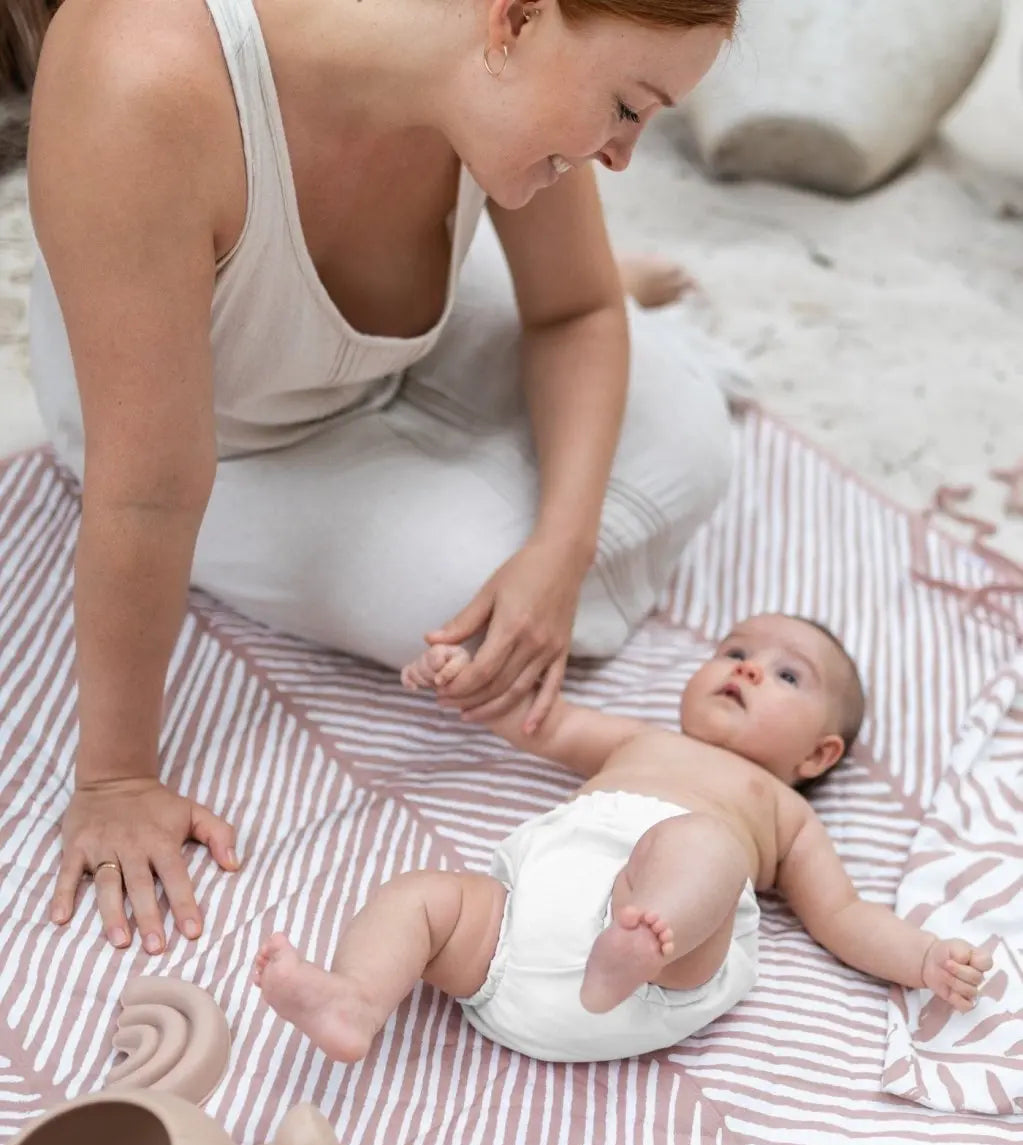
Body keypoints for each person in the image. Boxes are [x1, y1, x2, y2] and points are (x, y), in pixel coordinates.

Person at [19, 0, 739, 954]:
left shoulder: (490, 60)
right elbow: (150, 489)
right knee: (454, 601)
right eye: (625, 107)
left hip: (386, 343)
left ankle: (484, 403)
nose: (622, 155)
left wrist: (559, 556)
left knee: (691, 429)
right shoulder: (144, 79)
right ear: (515, 20)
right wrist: (115, 782)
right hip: (215, 432)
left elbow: (572, 312)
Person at [253, 613, 993, 1063]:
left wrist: (921, 957)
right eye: (733, 649)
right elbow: (543, 725)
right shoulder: (636, 739)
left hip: (660, 968)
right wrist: (465, 677)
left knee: (702, 842)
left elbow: (843, 917)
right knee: (420, 895)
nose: (745, 667)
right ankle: (355, 1000)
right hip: (512, 944)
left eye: (785, 675)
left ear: (816, 757)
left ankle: (628, 949)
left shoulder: (778, 808)